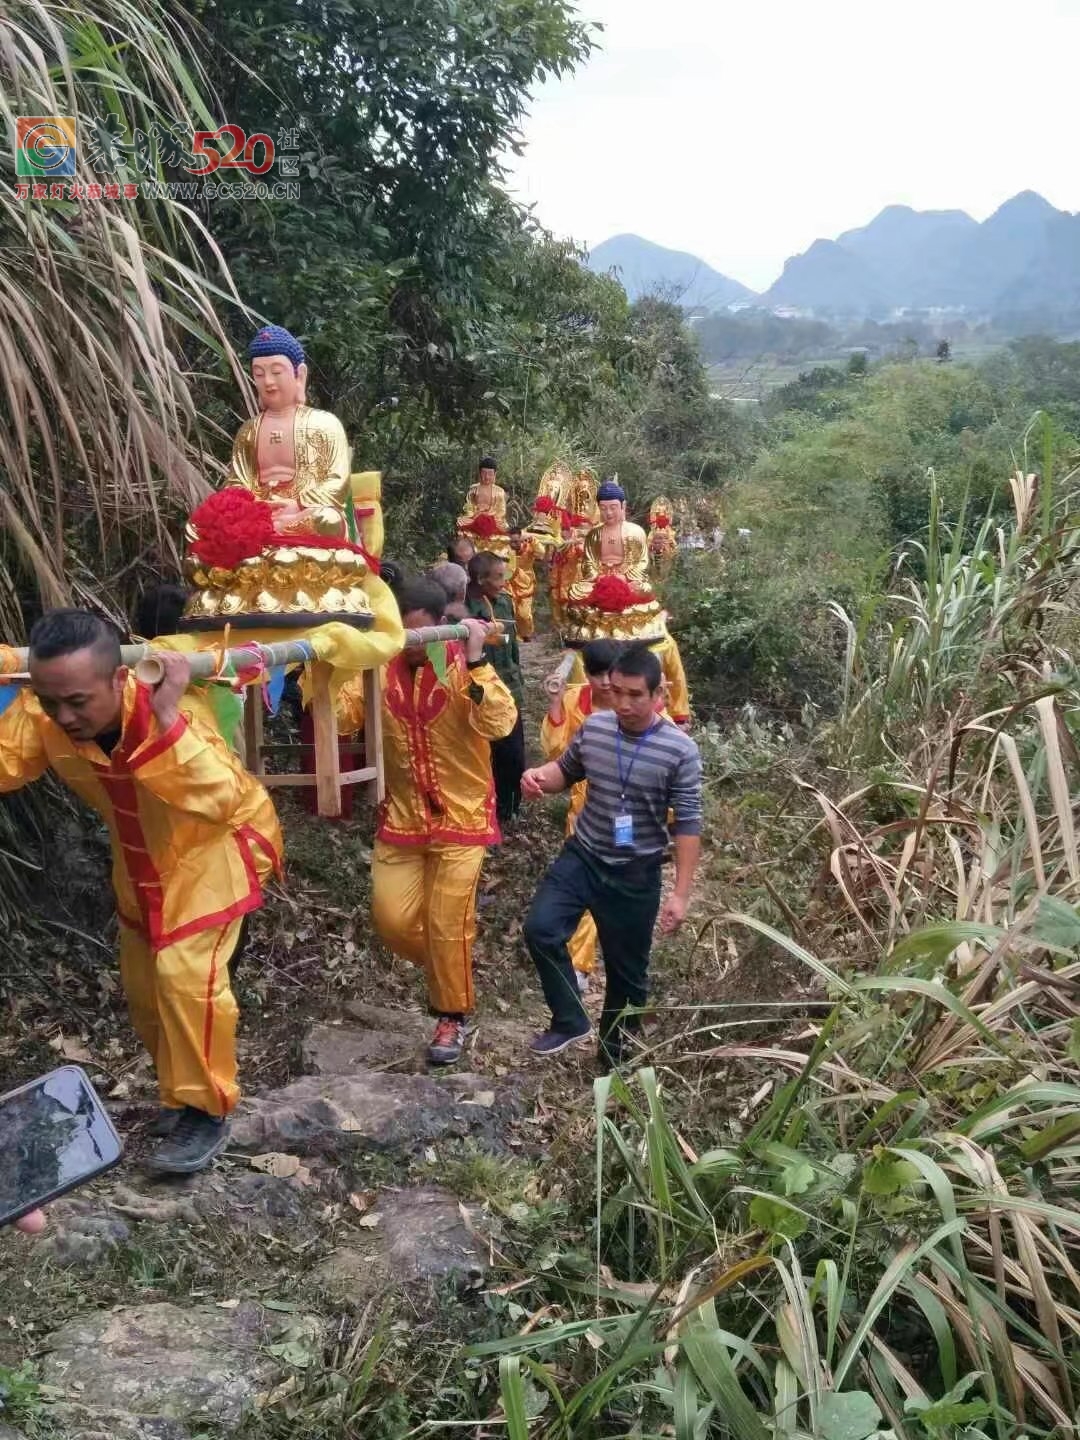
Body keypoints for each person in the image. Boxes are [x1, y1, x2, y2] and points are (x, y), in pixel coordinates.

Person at [0, 610, 283, 1172]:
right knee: (145, 988)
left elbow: (224, 798)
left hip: (213, 853)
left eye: (78, 701)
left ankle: (206, 1110)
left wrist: (167, 718)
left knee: (185, 976)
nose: (65, 716)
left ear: (116, 678)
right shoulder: (42, 712)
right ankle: (178, 1097)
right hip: (138, 864)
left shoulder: (171, 705)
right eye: (53, 702)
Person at [344, 579, 517, 1065]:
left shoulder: (464, 665)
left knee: (446, 921)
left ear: (441, 625)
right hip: (402, 820)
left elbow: (499, 723)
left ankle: (451, 1016)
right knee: (392, 921)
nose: (412, 647)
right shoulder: (377, 668)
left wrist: (477, 662)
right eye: (403, 635)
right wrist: (326, 669)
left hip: (462, 817)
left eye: (421, 635)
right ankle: (451, 961)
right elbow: (342, 719)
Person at [521, 642, 702, 1068]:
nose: (623, 703)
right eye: (616, 691)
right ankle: (569, 1019)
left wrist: (680, 894)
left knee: (627, 974)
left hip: (635, 873)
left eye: (635, 695)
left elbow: (688, 824)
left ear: (659, 694)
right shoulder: (596, 727)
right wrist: (538, 778)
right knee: (541, 929)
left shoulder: (680, 751)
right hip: (583, 854)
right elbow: (566, 771)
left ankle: (612, 1059)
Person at [540, 639, 621, 988]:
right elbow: (556, 754)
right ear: (585, 673)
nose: (604, 682)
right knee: (589, 875)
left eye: (609, 674)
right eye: (596, 674)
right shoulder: (574, 700)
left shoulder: (630, 701)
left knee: (616, 873)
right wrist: (556, 703)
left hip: (622, 806)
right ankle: (578, 962)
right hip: (583, 806)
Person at [466, 551, 525, 828]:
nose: (503, 582)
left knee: (513, 754)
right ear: (480, 579)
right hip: (482, 689)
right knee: (484, 753)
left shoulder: (505, 602)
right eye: (498, 577)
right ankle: (483, 810)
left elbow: (513, 650)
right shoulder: (464, 608)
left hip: (509, 687)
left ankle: (510, 808)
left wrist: (518, 681)